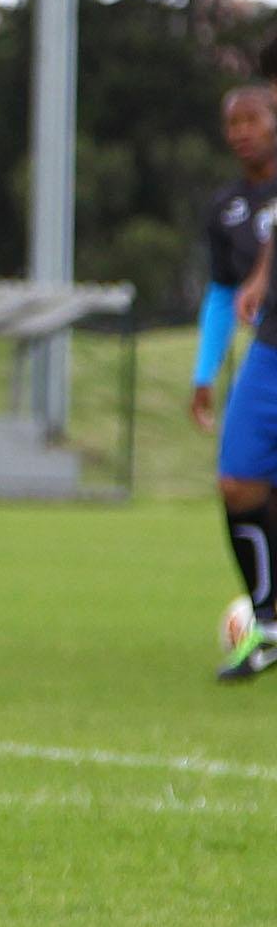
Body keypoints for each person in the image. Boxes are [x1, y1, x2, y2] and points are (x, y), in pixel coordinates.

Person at [200, 62, 277, 682]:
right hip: (270, 347)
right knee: (240, 482)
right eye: (235, 122)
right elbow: (223, 291)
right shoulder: (226, 206)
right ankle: (269, 625)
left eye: (256, 117)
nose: (243, 131)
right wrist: (205, 371)